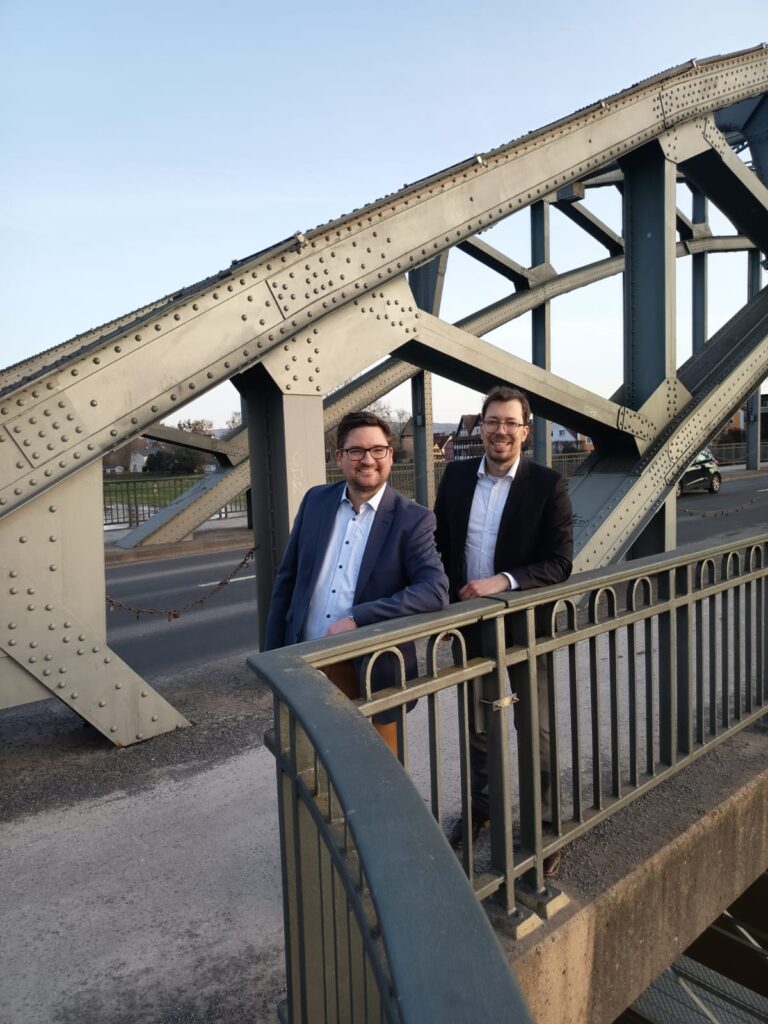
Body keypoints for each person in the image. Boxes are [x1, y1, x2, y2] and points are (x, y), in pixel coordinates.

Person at [434, 386, 573, 876]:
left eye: (511, 423)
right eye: (493, 421)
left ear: (525, 431)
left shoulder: (548, 485)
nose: (501, 431)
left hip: (524, 626)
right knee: (477, 727)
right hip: (471, 626)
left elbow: (559, 563)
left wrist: (504, 581)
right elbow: (440, 548)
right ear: (481, 426)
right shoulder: (455, 478)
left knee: (534, 728)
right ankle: (483, 808)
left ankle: (545, 827)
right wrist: (442, 607)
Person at [264, 410, 449, 754]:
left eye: (378, 450)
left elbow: (434, 590)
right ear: (339, 457)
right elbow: (287, 581)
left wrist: (359, 617)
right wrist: (273, 658)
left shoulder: (413, 519)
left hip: (371, 667)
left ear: (390, 456)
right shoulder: (315, 501)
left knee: (377, 772)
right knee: (310, 768)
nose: (368, 459)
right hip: (307, 660)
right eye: (356, 451)